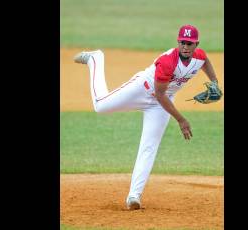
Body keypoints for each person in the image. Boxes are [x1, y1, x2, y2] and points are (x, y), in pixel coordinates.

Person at [73, 24, 221, 210]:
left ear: (195, 44)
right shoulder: (168, 61)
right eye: (182, 42)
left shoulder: (198, 56)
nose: (185, 46)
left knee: (149, 146)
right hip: (142, 91)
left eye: (189, 43)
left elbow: (205, 60)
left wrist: (214, 82)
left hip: (160, 105)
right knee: (100, 106)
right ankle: (96, 59)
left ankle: (134, 196)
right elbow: (159, 94)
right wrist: (181, 120)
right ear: (178, 42)